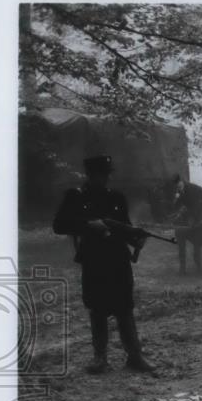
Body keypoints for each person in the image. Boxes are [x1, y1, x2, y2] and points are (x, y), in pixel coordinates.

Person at [52, 155, 155, 373]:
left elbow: (125, 227)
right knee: (97, 308)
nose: (104, 179)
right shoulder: (76, 196)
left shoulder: (117, 197)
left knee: (125, 307)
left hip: (118, 259)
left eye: (106, 175)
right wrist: (89, 225)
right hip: (94, 259)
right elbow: (59, 225)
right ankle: (100, 358)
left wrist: (137, 239)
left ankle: (134, 356)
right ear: (90, 175)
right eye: (99, 175)